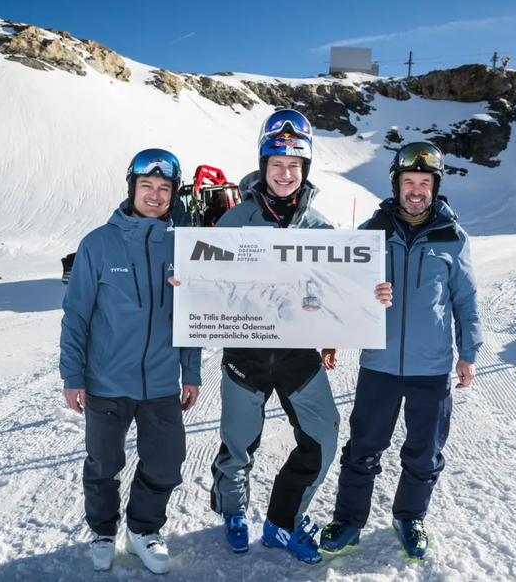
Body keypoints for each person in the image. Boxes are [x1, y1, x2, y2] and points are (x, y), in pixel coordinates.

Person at [205, 109, 392, 563]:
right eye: (276, 165)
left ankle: (282, 523)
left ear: (304, 169)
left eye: (294, 166)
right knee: (237, 443)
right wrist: (187, 283)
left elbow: (335, 288)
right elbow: (207, 279)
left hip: (296, 356)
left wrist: (370, 296)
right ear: (263, 165)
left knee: (324, 436)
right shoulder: (235, 221)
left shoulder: (319, 227)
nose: (285, 174)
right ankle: (233, 511)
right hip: (245, 356)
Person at [319, 142, 483, 562]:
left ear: (434, 187)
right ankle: (349, 520)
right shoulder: (373, 232)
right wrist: (335, 331)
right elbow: (345, 289)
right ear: (396, 184)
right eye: (408, 181)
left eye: (423, 183)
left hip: (432, 368)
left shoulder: (452, 237)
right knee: (363, 448)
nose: (415, 190)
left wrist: (469, 352)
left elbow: (464, 300)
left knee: (424, 452)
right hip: (379, 364)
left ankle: (409, 516)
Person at [60, 148, 202, 575]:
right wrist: (73, 375)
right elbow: (76, 315)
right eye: (147, 187)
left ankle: (142, 530)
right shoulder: (98, 244)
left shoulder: (184, 246)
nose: (155, 196)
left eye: (164, 189)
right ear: (131, 189)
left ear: (173, 195)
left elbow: (193, 315)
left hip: (160, 382)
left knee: (165, 463)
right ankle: (103, 531)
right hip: (105, 381)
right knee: (103, 464)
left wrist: (191, 372)